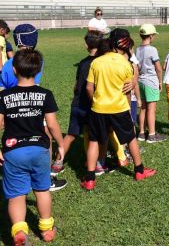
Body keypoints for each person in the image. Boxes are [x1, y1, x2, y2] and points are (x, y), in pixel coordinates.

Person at [0, 49, 65, 244]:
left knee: (17, 195)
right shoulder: (45, 94)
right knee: (42, 190)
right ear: (38, 71)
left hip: (13, 150)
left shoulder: (3, 97)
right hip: (40, 150)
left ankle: (19, 230)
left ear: (13, 69)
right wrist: (60, 145)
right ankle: (46, 228)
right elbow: (52, 125)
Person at [82, 28, 156, 191]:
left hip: (98, 108)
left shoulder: (97, 61)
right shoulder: (126, 64)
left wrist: (95, 100)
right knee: (130, 138)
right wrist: (129, 109)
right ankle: (139, 171)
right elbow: (128, 89)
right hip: (119, 108)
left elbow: (89, 87)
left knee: (94, 141)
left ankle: (90, 179)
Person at [51, 31, 111, 177]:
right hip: (94, 106)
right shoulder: (101, 63)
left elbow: (77, 85)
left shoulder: (83, 63)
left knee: (71, 135)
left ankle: (57, 164)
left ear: (86, 45)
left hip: (77, 104)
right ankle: (99, 163)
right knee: (100, 136)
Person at [135, 24, 166, 143]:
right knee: (151, 109)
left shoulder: (137, 49)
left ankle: (142, 133)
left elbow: (137, 66)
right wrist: (160, 82)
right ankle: (152, 135)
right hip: (151, 81)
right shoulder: (152, 49)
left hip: (141, 81)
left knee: (143, 108)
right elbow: (158, 68)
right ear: (151, 36)